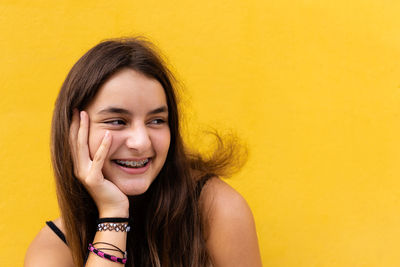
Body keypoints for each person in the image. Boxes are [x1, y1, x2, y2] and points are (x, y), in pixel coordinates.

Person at [25, 37, 262, 267]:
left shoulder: (217, 209)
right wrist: (113, 215)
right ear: (74, 132)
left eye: (157, 120)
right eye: (117, 121)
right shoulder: (53, 247)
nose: (141, 142)